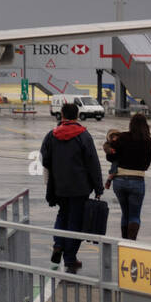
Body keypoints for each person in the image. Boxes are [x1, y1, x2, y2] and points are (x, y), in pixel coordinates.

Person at [40, 102, 103, 273]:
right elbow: (93, 163)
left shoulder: (51, 135)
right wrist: (98, 187)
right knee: (76, 220)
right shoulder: (84, 136)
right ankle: (70, 257)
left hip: (59, 186)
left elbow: (45, 159)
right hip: (80, 187)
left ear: (61, 114)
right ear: (77, 115)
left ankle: (58, 244)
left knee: (62, 215)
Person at [107, 114, 151, 241]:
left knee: (125, 213)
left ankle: (124, 241)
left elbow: (110, 156)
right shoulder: (148, 141)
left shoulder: (122, 137)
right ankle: (131, 242)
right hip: (137, 180)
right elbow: (147, 164)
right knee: (134, 215)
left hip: (120, 180)